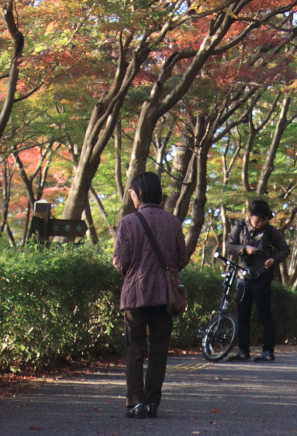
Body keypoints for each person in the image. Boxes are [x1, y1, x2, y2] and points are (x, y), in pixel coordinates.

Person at [112, 171, 188, 419]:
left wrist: (134, 272)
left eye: (132, 192)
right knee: (159, 349)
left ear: (140, 193)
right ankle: (153, 402)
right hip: (165, 295)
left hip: (136, 294)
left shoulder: (127, 222)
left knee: (134, 349)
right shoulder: (173, 222)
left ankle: (136, 403)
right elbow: (181, 259)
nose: (131, 196)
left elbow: (120, 262)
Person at [223, 198, 289, 363]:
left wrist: (273, 259)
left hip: (262, 278)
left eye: (263, 220)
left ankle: (268, 351)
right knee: (243, 316)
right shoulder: (239, 228)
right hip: (243, 279)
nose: (260, 223)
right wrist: (244, 249)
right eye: (257, 220)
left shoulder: (270, 231)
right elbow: (229, 247)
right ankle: (243, 351)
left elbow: (285, 249)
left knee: (265, 316)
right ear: (250, 216)